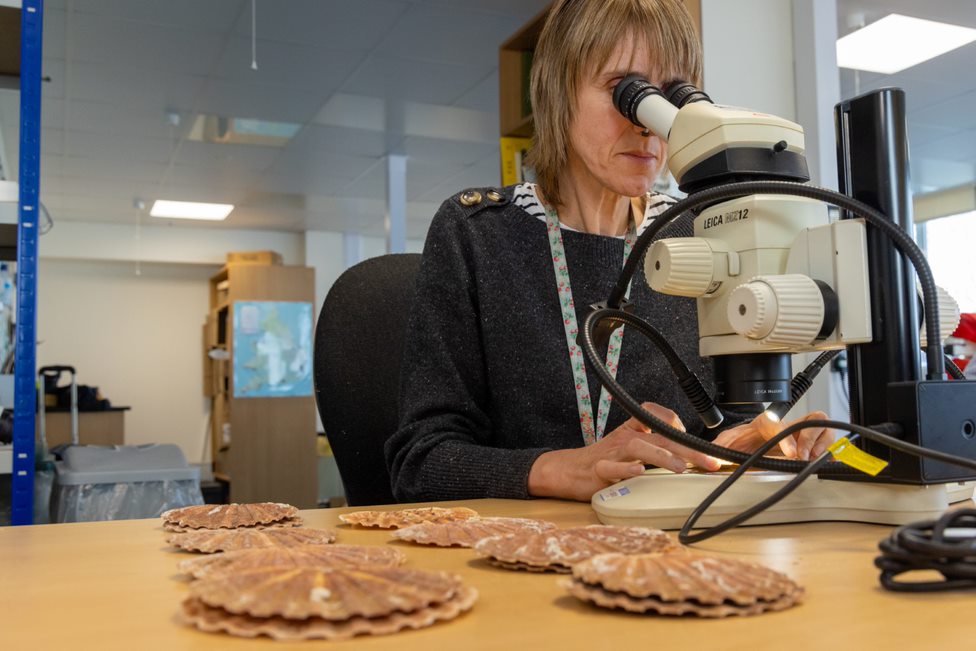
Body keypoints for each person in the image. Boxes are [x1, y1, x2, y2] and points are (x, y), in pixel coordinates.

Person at [386, 0, 832, 504]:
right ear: (559, 93)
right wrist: (566, 468)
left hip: (663, 547)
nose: (649, 126)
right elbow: (420, 464)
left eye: (671, 99)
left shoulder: (705, 233)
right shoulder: (477, 233)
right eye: (628, 92)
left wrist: (747, 444)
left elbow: (724, 430)